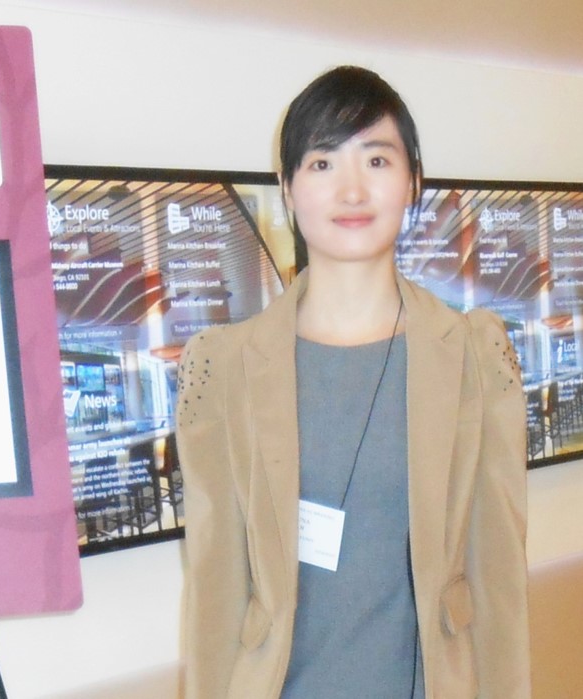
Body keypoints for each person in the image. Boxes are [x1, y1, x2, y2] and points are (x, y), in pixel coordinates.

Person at [176, 66, 530, 698]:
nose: (351, 189)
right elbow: (214, 592)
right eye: (321, 163)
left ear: (412, 180)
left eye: (376, 159)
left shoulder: (476, 357)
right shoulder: (224, 366)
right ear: (287, 189)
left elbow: (498, 581)